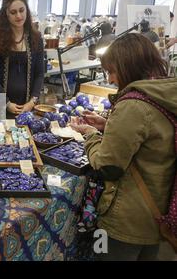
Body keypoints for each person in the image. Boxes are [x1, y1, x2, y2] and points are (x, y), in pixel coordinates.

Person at [70, 33, 176, 261]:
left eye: (112, 71)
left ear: (129, 66)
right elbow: (149, 140)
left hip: (125, 219)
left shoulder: (133, 105)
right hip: (155, 211)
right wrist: (109, 125)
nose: (109, 79)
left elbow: (107, 166)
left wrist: (89, 135)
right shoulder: (161, 92)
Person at [0, 0, 45, 119]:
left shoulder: (36, 38)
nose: (19, 16)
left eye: (21, 10)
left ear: (27, 11)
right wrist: (6, 102)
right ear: (6, 14)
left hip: (27, 106)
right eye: (13, 12)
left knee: (26, 138)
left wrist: (32, 101)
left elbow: (40, 73)